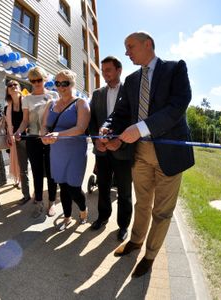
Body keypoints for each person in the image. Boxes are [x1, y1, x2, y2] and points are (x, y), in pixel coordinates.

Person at [100, 32, 195, 278]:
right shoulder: (131, 81)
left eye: (130, 46)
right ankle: (135, 241)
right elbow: (120, 113)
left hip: (170, 155)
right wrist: (108, 129)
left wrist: (141, 128)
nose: (127, 52)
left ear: (148, 44)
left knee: (161, 212)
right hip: (140, 153)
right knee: (142, 203)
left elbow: (178, 106)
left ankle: (150, 255)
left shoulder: (175, 69)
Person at [89, 56, 133, 241]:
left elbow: (133, 121)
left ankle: (123, 226)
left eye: (108, 69)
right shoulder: (97, 94)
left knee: (124, 192)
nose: (104, 73)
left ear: (119, 70)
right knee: (104, 187)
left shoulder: (130, 92)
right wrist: (96, 140)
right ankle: (102, 217)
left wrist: (120, 141)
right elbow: (92, 121)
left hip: (123, 151)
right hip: (102, 151)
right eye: (103, 70)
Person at [42, 69, 90, 231]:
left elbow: (81, 128)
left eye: (65, 83)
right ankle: (67, 216)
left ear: (72, 84)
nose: (61, 87)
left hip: (75, 152)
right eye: (58, 83)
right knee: (62, 185)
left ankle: (83, 210)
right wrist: (44, 136)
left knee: (74, 187)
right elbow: (44, 126)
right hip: (57, 152)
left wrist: (57, 134)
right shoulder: (51, 103)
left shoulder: (81, 103)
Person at [15, 66, 58, 218]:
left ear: (45, 79)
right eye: (33, 80)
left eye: (39, 79)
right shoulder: (26, 98)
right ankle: (39, 201)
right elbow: (25, 120)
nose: (36, 83)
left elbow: (56, 118)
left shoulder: (53, 95)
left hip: (50, 139)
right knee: (37, 171)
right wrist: (19, 131)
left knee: (52, 171)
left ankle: (51, 202)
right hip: (33, 139)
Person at [4, 80, 31, 202]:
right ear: (7, 91)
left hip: (31, 139)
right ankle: (26, 195)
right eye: (10, 85)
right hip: (17, 141)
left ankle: (39, 195)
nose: (13, 86)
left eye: (15, 84)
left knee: (37, 168)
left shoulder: (27, 101)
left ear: (19, 87)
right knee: (23, 169)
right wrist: (9, 136)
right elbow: (7, 125)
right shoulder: (6, 108)